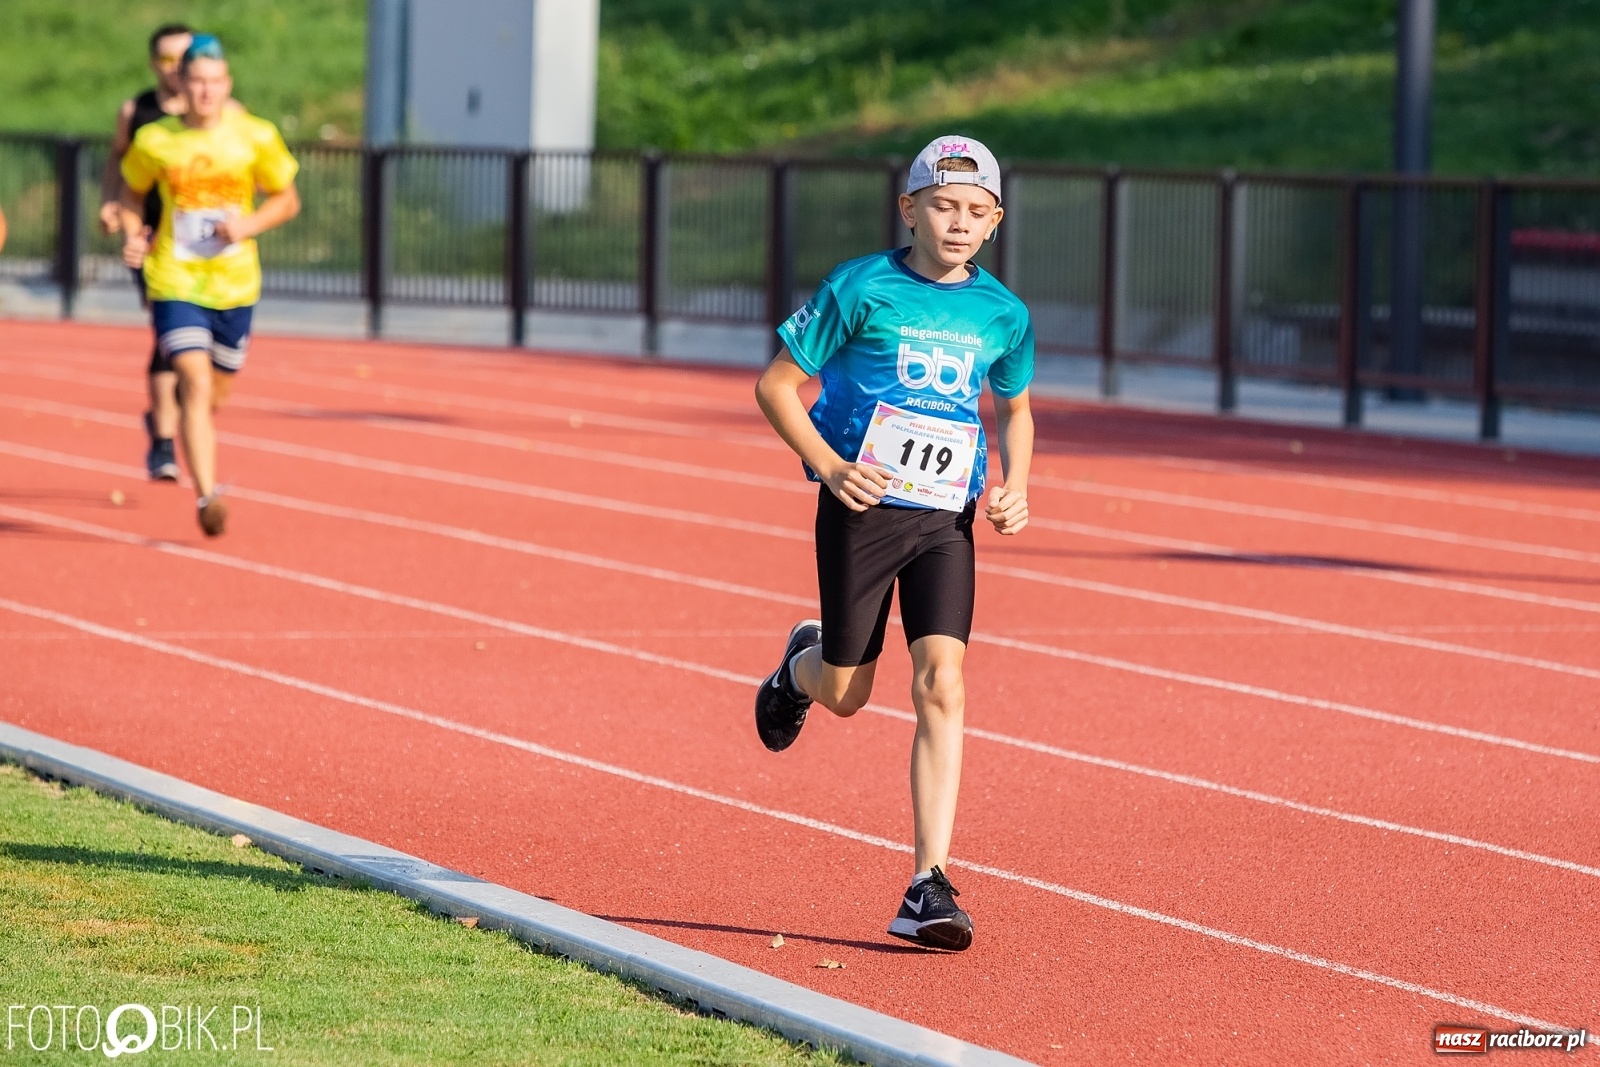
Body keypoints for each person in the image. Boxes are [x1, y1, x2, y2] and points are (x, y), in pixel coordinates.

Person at [753, 136, 1034, 952]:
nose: (958, 222)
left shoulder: (1003, 314)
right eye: (943, 206)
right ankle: (797, 667)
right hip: (862, 506)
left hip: (946, 519)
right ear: (908, 209)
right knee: (846, 693)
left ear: (995, 223)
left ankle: (928, 882)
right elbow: (776, 386)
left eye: (976, 212)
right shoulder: (860, 286)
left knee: (943, 682)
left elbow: (1013, 407)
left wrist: (1016, 484)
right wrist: (831, 467)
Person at [118, 34, 300, 537]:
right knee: (195, 384)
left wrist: (248, 226)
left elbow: (287, 200)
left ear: (227, 86)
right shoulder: (157, 140)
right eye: (197, 81)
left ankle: (173, 420)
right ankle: (207, 496)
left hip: (236, 285)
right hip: (175, 278)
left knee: (215, 394)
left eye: (215, 82)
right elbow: (131, 194)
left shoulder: (255, 137)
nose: (205, 92)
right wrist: (134, 235)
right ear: (182, 83)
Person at [99, 23, 194, 482]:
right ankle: (163, 439)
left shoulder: (223, 116)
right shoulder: (137, 111)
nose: (179, 70)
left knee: (203, 355)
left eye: (187, 59)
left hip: (206, 246)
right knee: (169, 334)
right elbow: (118, 158)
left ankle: (172, 418)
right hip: (152, 238)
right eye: (170, 61)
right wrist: (112, 205)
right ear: (155, 64)